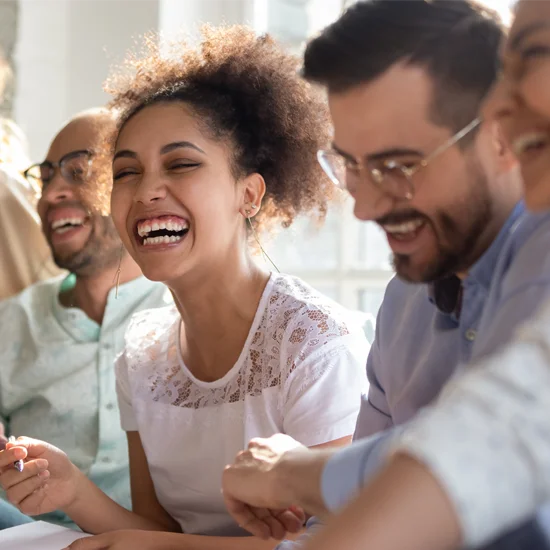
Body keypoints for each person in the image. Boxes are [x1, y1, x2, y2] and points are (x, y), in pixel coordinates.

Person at [0, 26, 367, 549]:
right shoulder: (144, 354)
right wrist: (72, 489)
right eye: (126, 173)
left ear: (249, 193)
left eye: (182, 164)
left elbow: (348, 541)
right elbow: (164, 531)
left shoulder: (314, 344)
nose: (147, 189)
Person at [220, 0, 550, 548]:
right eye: (351, 166)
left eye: (397, 167)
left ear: (497, 134)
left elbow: (493, 440)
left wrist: (290, 473)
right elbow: (353, 516)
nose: (366, 207)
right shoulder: (404, 305)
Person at [0, 108, 171, 530]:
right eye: (45, 175)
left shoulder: (186, 314)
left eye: (78, 171)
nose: (51, 193)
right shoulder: (13, 322)